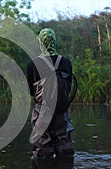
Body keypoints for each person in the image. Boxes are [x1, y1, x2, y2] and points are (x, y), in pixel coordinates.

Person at [27, 28, 75, 160]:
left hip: (42, 112)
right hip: (61, 112)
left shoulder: (33, 64)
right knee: (65, 151)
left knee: (42, 154)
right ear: (54, 41)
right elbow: (68, 88)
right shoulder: (66, 62)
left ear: (40, 42)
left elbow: (32, 92)